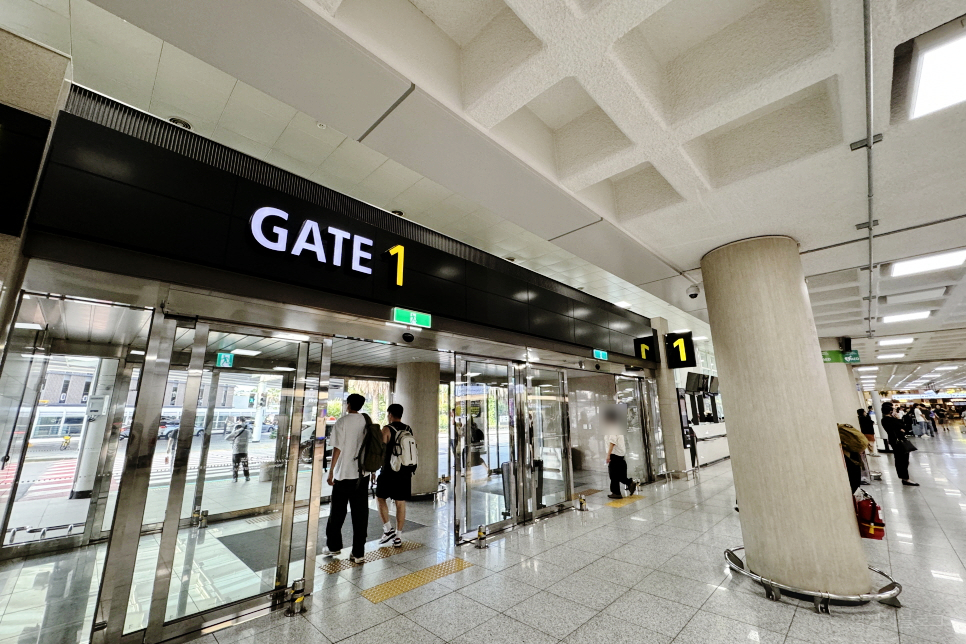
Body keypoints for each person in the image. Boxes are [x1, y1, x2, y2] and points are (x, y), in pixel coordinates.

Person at [323, 393, 370, 563]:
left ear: (349, 404)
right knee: (360, 515)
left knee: (337, 512)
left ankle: (334, 546)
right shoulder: (366, 421)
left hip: (343, 476)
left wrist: (330, 471)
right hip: (361, 475)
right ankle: (358, 553)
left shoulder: (342, 422)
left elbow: (337, 449)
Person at [375, 403, 415, 548]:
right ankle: (398, 536)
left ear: (390, 414)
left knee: (380, 498)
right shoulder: (408, 429)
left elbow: (380, 451)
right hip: (405, 470)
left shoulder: (387, 429)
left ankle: (387, 529)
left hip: (389, 471)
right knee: (400, 502)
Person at [881, 402, 919, 486]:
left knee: (899, 459)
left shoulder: (884, 420)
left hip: (893, 441)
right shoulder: (892, 420)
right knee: (903, 460)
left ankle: (904, 477)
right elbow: (904, 427)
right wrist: (898, 419)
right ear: (890, 411)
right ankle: (905, 478)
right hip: (899, 441)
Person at [606, 433, 636, 499]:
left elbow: (612, 442)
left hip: (615, 455)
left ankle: (617, 492)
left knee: (613, 475)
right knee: (618, 475)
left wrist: (608, 455)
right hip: (619, 456)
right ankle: (627, 484)